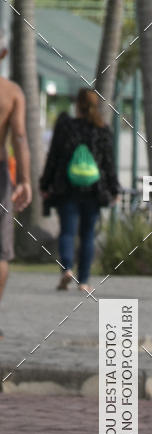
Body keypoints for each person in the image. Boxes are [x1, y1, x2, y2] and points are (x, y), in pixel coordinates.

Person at [40, 88, 119, 293]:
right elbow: (109, 163)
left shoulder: (66, 127)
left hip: (67, 188)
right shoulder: (102, 129)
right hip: (93, 190)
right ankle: (83, 281)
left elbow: (53, 158)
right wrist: (114, 188)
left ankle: (66, 268)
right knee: (87, 235)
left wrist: (44, 184)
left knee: (67, 231)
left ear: (77, 105)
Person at [0, 37, 32, 329]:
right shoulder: (10, 93)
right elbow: (20, 137)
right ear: (4, 52)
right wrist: (24, 179)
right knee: (0, 252)